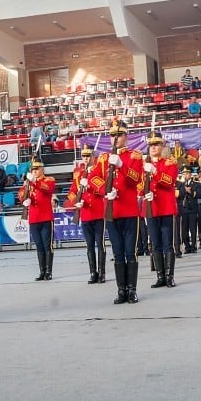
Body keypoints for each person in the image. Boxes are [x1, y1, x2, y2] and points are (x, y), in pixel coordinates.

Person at [89, 119, 143, 304]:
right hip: (112, 212)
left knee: (130, 252)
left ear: (126, 136)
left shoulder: (135, 156)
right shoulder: (103, 158)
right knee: (118, 253)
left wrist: (122, 165)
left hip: (129, 211)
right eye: (112, 135)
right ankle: (121, 290)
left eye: (118, 135)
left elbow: (136, 179)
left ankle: (132, 290)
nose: (115, 138)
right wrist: (105, 189)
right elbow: (93, 179)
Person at [143, 131, 178, 288]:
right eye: (150, 145)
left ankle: (170, 276)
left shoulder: (170, 163)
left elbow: (169, 182)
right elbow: (138, 184)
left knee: (167, 244)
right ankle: (160, 276)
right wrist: (144, 192)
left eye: (156, 144)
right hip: (151, 207)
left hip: (165, 207)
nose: (153, 147)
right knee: (155, 243)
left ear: (162, 146)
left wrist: (155, 172)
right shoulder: (144, 165)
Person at [70, 144, 106, 283]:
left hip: (98, 213)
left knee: (100, 244)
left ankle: (102, 273)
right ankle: (93, 272)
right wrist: (76, 202)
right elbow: (72, 192)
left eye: (88, 156)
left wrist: (90, 186)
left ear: (93, 157)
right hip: (85, 214)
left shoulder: (98, 171)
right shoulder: (78, 173)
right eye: (83, 156)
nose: (85, 158)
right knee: (89, 245)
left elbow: (102, 190)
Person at [20, 156, 56, 281]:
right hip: (34, 219)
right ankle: (42, 271)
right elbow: (21, 193)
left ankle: (49, 271)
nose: (34, 171)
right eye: (33, 169)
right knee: (39, 246)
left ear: (42, 169)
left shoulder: (49, 180)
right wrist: (24, 200)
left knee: (47, 246)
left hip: (46, 218)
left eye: (37, 169)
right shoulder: (28, 182)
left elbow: (47, 188)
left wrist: (34, 180)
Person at [177, 166, 200, 254]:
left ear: (190, 174)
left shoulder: (196, 184)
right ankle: (187, 246)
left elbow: (199, 194)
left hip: (192, 208)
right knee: (184, 229)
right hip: (183, 209)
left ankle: (193, 246)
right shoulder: (180, 184)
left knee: (193, 228)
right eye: (184, 174)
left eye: (187, 173)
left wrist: (191, 192)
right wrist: (184, 190)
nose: (186, 175)